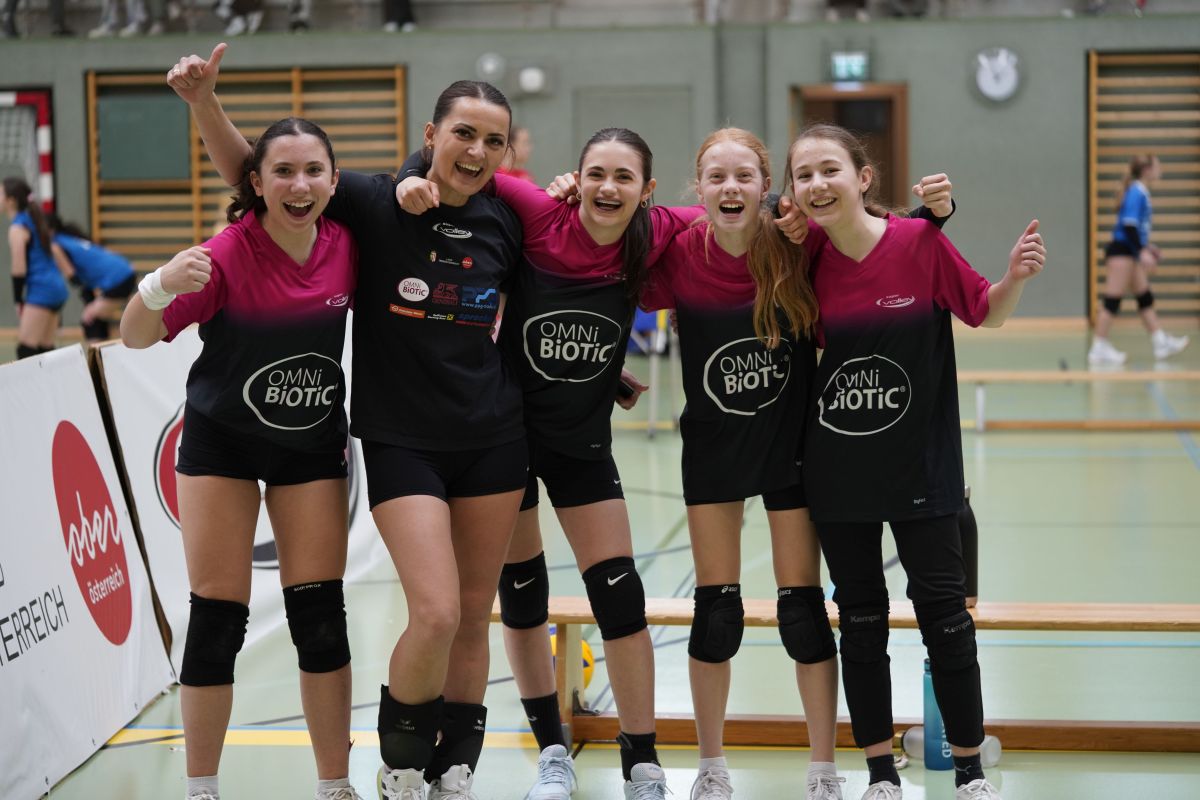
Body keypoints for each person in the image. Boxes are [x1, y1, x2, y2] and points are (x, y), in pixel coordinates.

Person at [169, 43, 528, 800]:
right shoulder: (368, 200)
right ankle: (398, 764)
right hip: (398, 439)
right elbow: (259, 175)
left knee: (471, 614)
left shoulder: (509, 216)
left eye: (493, 140)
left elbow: (567, 270)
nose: (476, 150)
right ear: (431, 135)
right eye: (463, 133)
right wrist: (204, 103)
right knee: (436, 610)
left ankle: (450, 768)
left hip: (491, 434)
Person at [396, 127, 734, 800]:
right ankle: (553, 752)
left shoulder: (656, 230)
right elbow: (457, 164)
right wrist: (410, 173)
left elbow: (744, 207)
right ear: (575, 180)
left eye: (624, 177)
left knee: (620, 596)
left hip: (582, 445)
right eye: (597, 173)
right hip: (506, 441)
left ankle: (642, 764)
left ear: (647, 191)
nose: (609, 187)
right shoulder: (538, 211)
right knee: (522, 601)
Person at [640, 128, 954, 800]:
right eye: (716, 178)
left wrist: (934, 215)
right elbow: (601, 285)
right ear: (698, 188)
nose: (730, 189)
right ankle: (711, 767)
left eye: (745, 177)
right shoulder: (678, 255)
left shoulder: (794, 245)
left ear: (767, 187)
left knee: (803, 614)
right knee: (716, 616)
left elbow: (869, 235)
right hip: (715, 451)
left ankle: (822, 769)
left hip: (791, 448)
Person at [786, 122, 1044, 800]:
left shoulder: (919, 242)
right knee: (860, 623)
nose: (817, 184)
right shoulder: (803, 258)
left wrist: (1014, 277)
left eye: (830, 169)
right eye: (804, 174)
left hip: (923, 471)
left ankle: (969, 773)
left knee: (947, 624)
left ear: (863, 177)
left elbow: (985, 311)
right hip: (838, 473)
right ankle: (879, 775)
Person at [119, 114, 361, 800]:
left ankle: (335, 785)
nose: (298, 185)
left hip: (310, 444)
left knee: (320, 618)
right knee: (217, 621)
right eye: (282, 171)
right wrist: (159, 283)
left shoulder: (349, 245)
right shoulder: (223, 254)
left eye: (312, 171)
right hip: (221, 444)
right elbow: (134, 337)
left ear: (334, 182)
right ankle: (202, 788)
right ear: (255, 183)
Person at [1088, 153, 1188, 364]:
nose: (1160, 171)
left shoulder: (1140, 191)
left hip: (1130, 251)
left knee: (1144, 297)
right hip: (1122, 252)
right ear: (1146, 170)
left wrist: (1147, 248)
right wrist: (1142, 251)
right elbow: (1129, 225)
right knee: (1112, 300)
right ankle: (1099, 346)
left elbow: (1135, 229)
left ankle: (1160, 341)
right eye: (1157, 166)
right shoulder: (1136, 191)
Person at [2, 176, 68, 360]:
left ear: (11, 200)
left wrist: (18, 300)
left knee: (26, 349)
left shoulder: (18, 227)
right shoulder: (32, 218)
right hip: (56, 287)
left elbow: (19, 268)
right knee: (44, 349)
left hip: (42, 289)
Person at [47, 215, 136, 342]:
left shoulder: (55, 245)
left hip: (118, 279)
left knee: (89, 318)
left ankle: (97, 352)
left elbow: (73, 278)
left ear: (49, 230)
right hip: (125, 271)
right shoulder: (70, 237)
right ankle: (102, 349)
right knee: (96, 316)